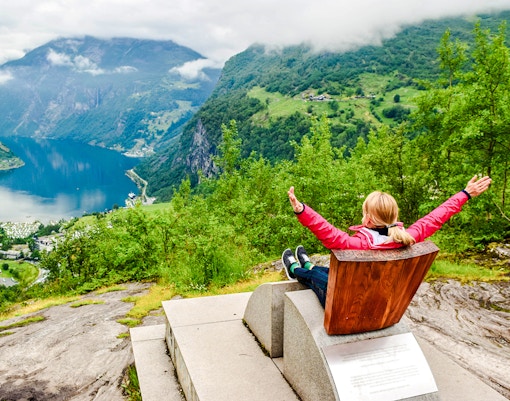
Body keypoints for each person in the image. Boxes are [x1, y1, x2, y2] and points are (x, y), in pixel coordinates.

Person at [281, 175, 492, 307]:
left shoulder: (358, 246)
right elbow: (436, 217)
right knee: (326, 271)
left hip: (349, 305)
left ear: (369, 219)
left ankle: (296, 270)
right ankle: (308, 264)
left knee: (318, 274)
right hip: (384, 304)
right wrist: (465, 194)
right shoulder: (409, 238)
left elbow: (327, 232)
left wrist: (301, 210)